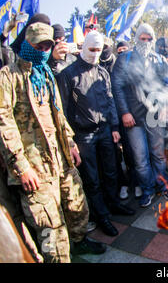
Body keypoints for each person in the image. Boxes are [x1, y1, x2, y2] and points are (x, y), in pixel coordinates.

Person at [0, 23, 105, 262]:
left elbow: (58, 114)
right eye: (39, 45)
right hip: (34, 165)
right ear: (27, 44)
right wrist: (21, 166)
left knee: (76, 205)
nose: (44, 50)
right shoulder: (9, 76)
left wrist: (70, 143)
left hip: (61, 157)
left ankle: (79, 244)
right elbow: (3, 122)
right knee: (49, 222)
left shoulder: (45, 74)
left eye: (48, 45)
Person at [57, 31, 135, 237]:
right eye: (91, 49)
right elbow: (63, 109)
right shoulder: (68, 74)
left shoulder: (102, 72)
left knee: (111, 171)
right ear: (84, 48)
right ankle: (101, 216)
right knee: (92, 178)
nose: (94, 54)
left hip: (106, 131)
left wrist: (115, 127)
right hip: (84, 135)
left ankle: (114, 204)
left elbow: (110, 101)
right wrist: (70, 140)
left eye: (98, 50)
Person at [112, 23, 168, 208]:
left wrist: (164, 106)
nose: (145, 42)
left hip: (155, 116)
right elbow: (117, 87)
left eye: (149, 38)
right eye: (142, 38)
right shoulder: (125, 59)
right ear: (136, 38)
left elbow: (166, 84)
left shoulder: (159, 59)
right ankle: (147, 190)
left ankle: (161, 184)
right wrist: (125, 112)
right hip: (134, 118)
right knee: (140, 159)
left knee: (159, 155)